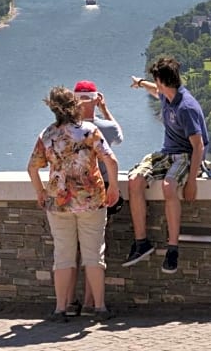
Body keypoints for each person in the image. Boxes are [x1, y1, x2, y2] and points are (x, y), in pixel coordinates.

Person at [27, 86, 119, 323]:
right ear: (74, 106)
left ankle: (61, 308)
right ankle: (99, 307)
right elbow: (110, 159)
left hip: (58, 202)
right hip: (91, 200)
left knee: (63, 256)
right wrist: (113, 188)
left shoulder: (46, 135)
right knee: (93, 254)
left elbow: (32, 168)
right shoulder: (89, 131)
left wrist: (40, 193)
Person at [124, 56, 208, 275]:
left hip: (186, 155)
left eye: (156, 80)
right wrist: (140, 83)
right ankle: (142, 242)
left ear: (162, 80)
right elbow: (156, 92)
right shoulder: (167, 95)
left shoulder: (185, 107)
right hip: (167, 153)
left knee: (169, 186)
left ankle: (172, 249)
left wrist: (191, 182)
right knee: (134, 180)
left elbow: (199, 146)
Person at [69, 79, 124, 316]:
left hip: (67, 195)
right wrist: (104, 108)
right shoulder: (104, 128)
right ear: (96, 99)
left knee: (68, 252)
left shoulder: (64, 128)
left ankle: (69, 304)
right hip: (97, 194)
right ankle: (92, 303)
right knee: (93, 251)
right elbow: (119, 136)